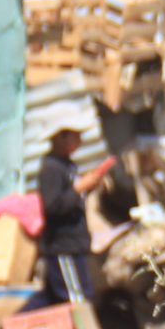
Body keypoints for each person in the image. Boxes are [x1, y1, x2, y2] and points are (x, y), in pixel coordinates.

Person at [24, 125, 112, 312]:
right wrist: (79, 188)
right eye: (76, 135)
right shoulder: (51, 169)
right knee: (78, 299)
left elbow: (71, 201)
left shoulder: (68, 165)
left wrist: (89, 187)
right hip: (63, 246)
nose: (80, 140)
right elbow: (53, 206)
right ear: (60, 137)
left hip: (74, 243)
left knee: (49, 297)